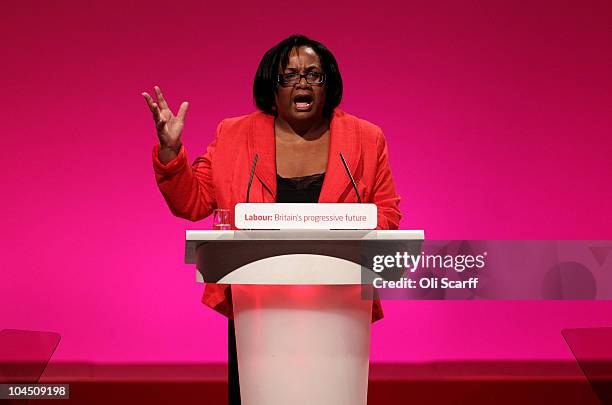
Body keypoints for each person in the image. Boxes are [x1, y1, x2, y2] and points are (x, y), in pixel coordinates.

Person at [143, 34, 401, 405]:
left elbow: (388, 214)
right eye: (289, 76)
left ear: (329, 85)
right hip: (259, 310)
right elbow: (194, 201)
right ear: (272, 86)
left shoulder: (365, 138)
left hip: (339, 308)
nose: (302, 83)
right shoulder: (234, 135)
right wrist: (171, 150)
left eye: (314, 75)